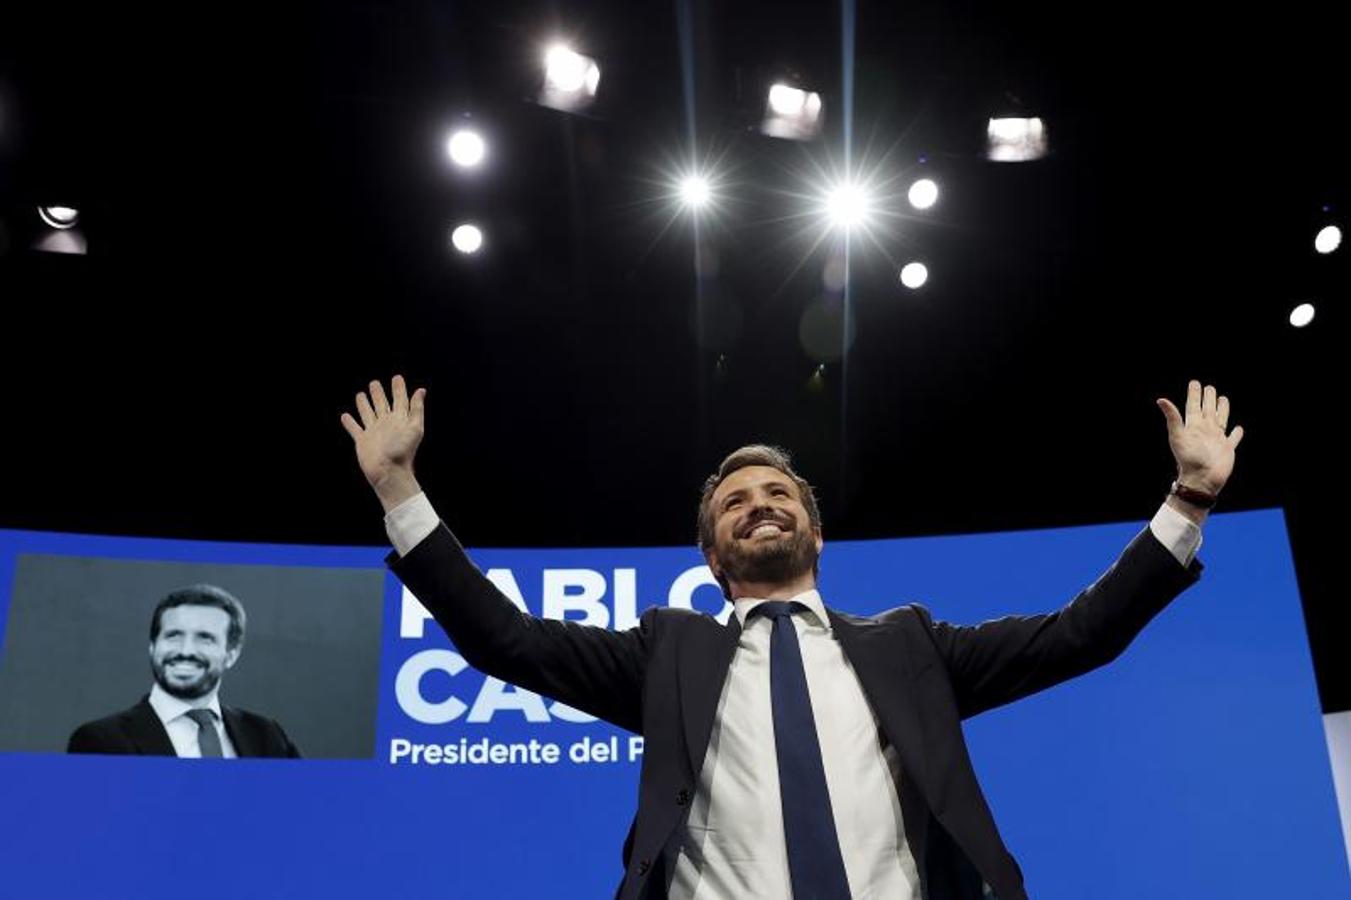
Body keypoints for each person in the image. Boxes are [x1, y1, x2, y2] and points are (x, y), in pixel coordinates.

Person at [342, 376, 1242, 900]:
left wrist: (1188, 499)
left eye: (778, 495)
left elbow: (1078, 634)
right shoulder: (668, 653)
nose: (760, 504)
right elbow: (506, 640)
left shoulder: (907, 645)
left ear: (814, 529)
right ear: (710, 553)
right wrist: (398, 493)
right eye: (734, 502)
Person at [68, 584, 301, 758]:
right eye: (173, 636)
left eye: (205, 638)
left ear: (232, 654)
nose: (185, 650)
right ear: (152, 647)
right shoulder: (99, 741)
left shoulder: (267, 736)